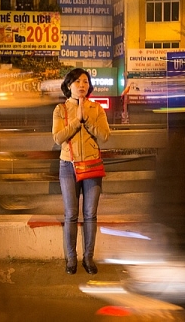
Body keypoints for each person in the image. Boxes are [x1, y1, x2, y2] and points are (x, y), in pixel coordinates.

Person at [52, 68, 111, 274]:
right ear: (69, 85)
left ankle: (88, 257)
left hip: (92, 165)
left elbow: (105, 135)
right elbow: (57, 138)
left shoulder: (97, 108)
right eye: (77, 81)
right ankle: (71, 258)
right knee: (71, 214)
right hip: (68, 165)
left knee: (90, 215)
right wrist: (77, 120)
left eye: (85, 81)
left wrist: (87, 119)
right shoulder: (60, 109)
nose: (82, 85)